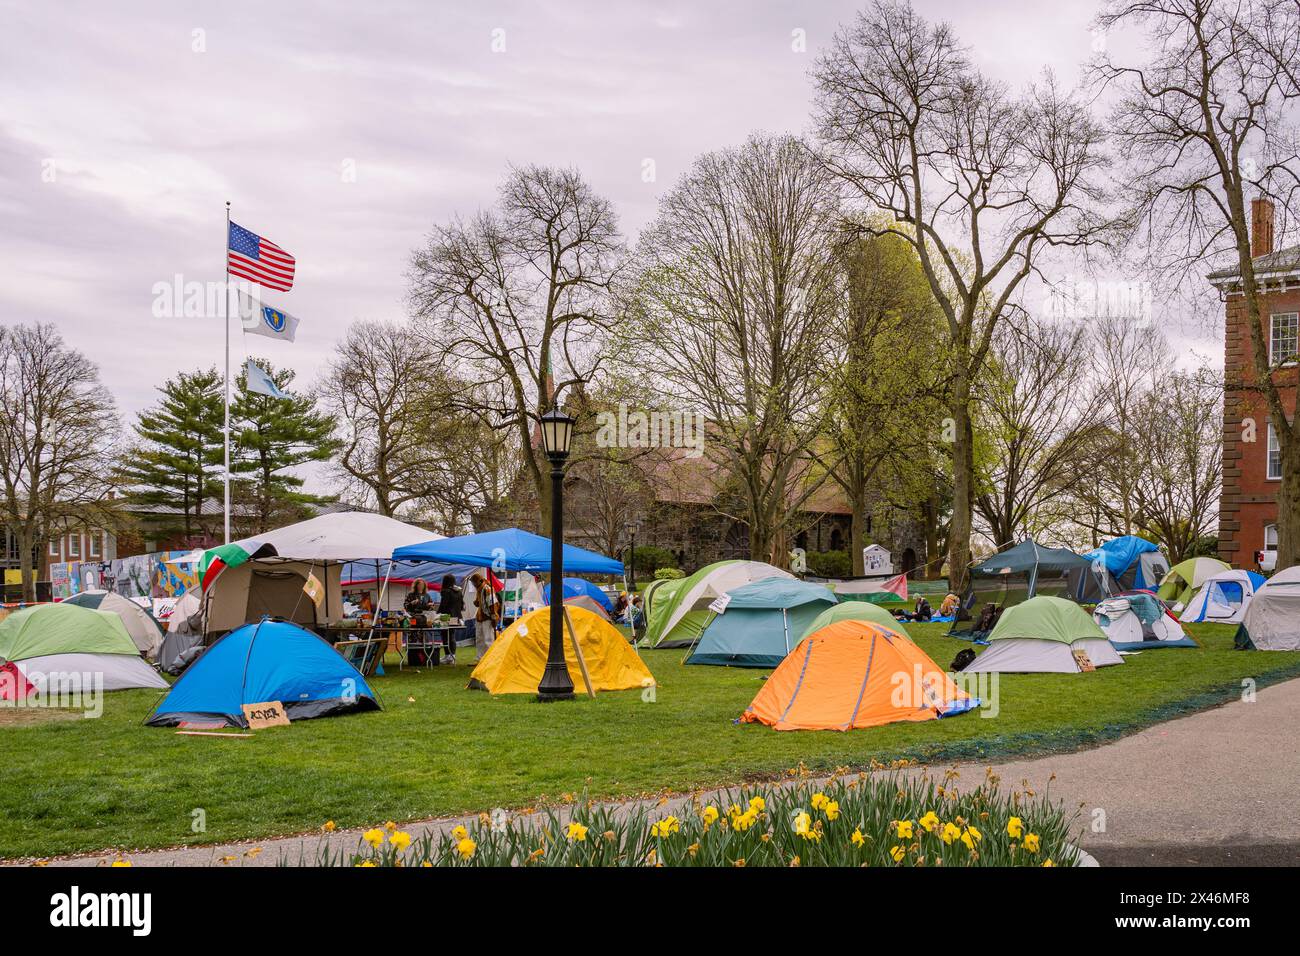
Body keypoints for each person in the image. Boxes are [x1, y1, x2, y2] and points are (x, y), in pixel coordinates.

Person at [404, 578, 436, 666]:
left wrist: (431, 606)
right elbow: (406, 606)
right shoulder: (410, 595)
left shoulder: (427, 595)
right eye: (419, 584)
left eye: (422, 585)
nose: (420, 586)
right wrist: (412, 603)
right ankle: (413, 658)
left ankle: (423, 658)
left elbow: (430, 607)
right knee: (413, 638)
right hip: (413, 618)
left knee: (423, 638)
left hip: (424, 619)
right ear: (416, 585)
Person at [470, 572, 501, 659]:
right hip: (480, 616)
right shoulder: (479, 589)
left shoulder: (487, 589)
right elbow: (479, 603)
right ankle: (480, 657)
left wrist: (493, 616)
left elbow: (493, 604)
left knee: (488, 639)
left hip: (488, 616)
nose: (473, 584)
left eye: (474, 582)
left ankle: (489, 658)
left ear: (479, 581)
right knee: (479, 638)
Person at [436, 573, 464, 666]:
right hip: (457, 616)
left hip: (447, 616)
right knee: (452, 635)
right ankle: (452, 656)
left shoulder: (446, 591)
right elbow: (461, 605)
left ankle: (448, 655)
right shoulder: (459, 591)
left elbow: (443, 605)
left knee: (445, 635)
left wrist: (437, 614)